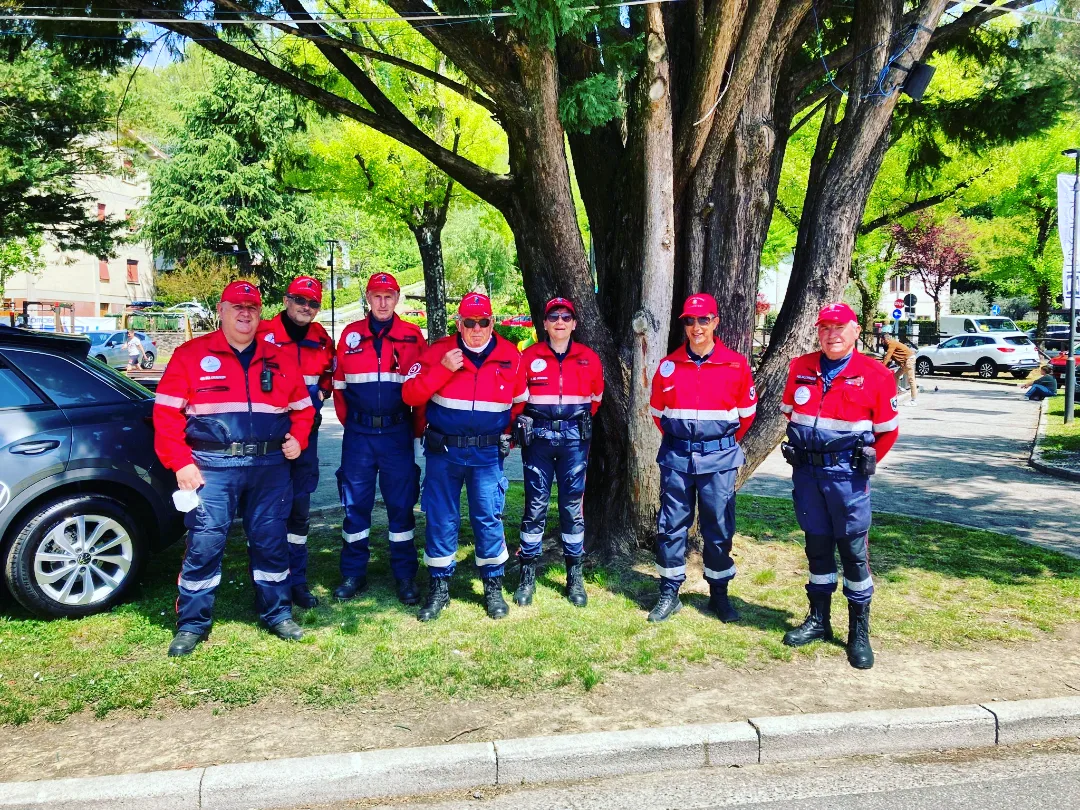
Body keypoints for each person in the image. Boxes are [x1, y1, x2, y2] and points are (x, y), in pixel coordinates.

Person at [153, 281, 315, 657]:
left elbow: (304, 409)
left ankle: (277, 613)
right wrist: (180, 463)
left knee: (271, 540)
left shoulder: (280, 357)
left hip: (269, 466)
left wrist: (299, 438)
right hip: (212, 467)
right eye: (237, 307)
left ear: (261, 314)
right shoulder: (190, 355)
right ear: (221, 310)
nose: (246, 314)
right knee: (205, 543)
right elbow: (164, 415)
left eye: (253, 308)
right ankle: (192, 624)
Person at [779, 302, 899, 670]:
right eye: (825, 328)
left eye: (840, 327)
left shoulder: (876, 375)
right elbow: (790, 413)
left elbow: (887, 431)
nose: (832, 334)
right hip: (809, 477)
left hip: (847, 480)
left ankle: (858, 633)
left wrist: (862, 463)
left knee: (852, 554)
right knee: (816, 549)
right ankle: (818, 619)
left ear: (856, 330)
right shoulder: (801, 367)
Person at [402, 292, 526, 622]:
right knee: (441, 518)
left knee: (488, 517)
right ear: (459, 323)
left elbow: (520, 401)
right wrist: (441, 371)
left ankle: (493, 586)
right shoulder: (439, 351)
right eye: (469, 323)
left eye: (483, 322)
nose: (476, 329)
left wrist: (506, 435)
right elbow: (410, 394)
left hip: (486, 454)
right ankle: (439, 587)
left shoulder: (510, 356)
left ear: (492, 322)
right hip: (445, 452)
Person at [646, 293, 757, 623]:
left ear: (715, 322)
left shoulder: (736, 365)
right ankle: (669, 593)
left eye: (703, 320)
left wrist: (715, 445)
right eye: (690, 321)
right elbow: (657, 413)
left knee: (719, 528)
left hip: (719, 460)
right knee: (670, 527)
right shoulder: (668, 367)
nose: (696, 327)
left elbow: (747, 416)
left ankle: (719, 595)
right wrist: (685, 440)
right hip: (677, 457)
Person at [332, 272, 427, 604]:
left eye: (389, 296)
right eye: (376, 296)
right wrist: (355, 424)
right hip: (359, 434)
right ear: (368, 299)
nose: (383, 302)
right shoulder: (350, 335)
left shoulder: (413, 336)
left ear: (397, 297)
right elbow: (339, 389)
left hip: (397, 434)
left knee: (401, 507)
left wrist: (411, 431)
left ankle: (404, 576)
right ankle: (353, 574)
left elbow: (422, 389)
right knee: (354, 506)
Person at [510, 297, 604, 608]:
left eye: (566, 317)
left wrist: (569, 424)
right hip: (538, 440)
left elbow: (595, 400)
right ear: (545, 323)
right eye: (554, 316)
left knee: (571, 508)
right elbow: (518, 399)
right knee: (534, 506)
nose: (560, 322)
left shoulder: (589, 358)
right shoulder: (529, 356)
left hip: (574, 442)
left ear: (574, 323)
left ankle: (574, 576)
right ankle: (527, 575)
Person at [257, 276, 335, 608]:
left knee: (299, 512)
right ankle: (265, 584)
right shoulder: (262, 334)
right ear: (287, 301)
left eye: (313, 303)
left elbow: (329, 376)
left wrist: (321, 396)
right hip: (268, 437)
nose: (306, 308)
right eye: (300, 301)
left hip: (307, 437)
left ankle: (297, 582)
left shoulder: (321, 339)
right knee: (265, 512)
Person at [881, 333, 918, 406]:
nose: (881, 342)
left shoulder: (891, 343)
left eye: (882, 340)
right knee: (896, 376)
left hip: (908, 360)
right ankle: (894, 396)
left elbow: (888, 357)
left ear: (886, 340)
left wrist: (881, 367)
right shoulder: (892, 343)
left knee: (911, 379)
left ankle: (913, 400)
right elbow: (891, 358)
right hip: (907, 361)